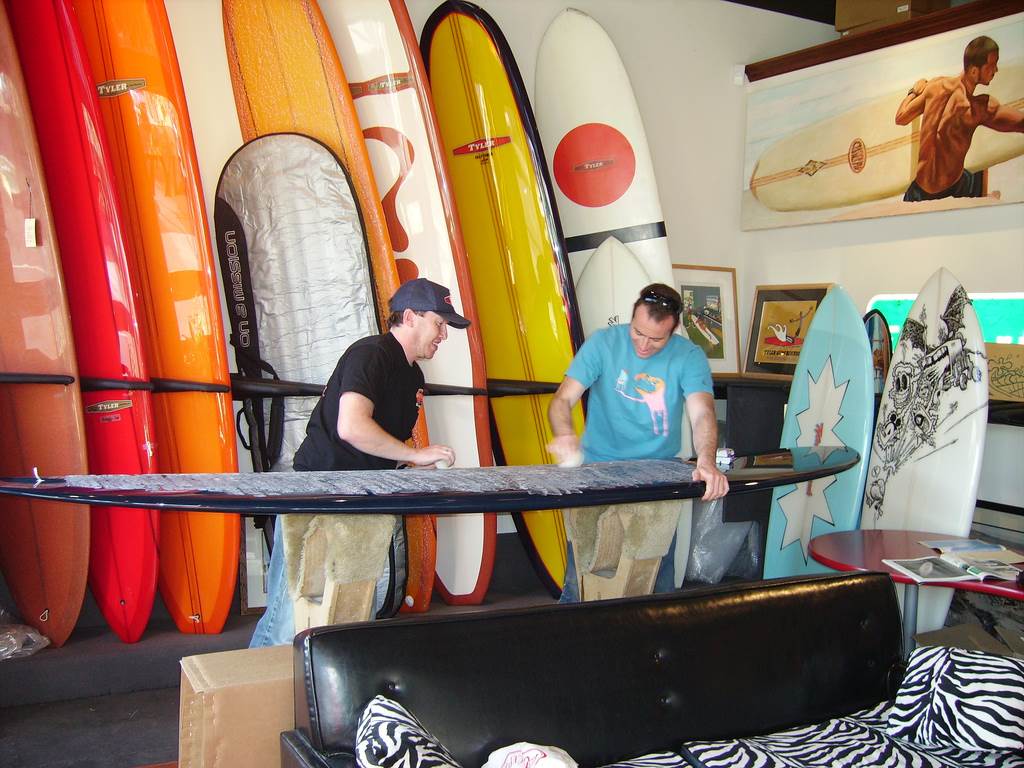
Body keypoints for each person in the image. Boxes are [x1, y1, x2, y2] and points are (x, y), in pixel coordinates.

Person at [250, 278, 470, 647]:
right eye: (439, 323)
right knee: (288, 615)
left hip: (361, 501)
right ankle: (254, 683)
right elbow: (351, 426)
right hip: (318, 494)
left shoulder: (413, 375)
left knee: (350, 609)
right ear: (410, 317)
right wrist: (414, 454)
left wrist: (408, 466)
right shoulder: (371, 354)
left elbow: (378, 444)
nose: (443, 335)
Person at [547, 283, 729, 602]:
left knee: (655, 578)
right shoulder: (604, 343)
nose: (643, 345)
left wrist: (706, 461)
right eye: (637, 332)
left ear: (673, 330)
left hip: (657, 475)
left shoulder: (689, 356)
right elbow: (562, 400)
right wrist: (565, 434)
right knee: (582, 576)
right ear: (631, 318)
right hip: (597, 469)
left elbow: (702, 413)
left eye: (656, 339)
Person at [895, 35, 1024, 202]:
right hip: (953, 189)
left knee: (973, 173)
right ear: (974, 71)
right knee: (978, 174)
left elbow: (901, 117)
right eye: (992, 65)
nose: (996, 70)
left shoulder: (935, 86)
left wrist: (913, 92)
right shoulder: (978, 108)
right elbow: (1020, 123)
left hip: (918, 190)